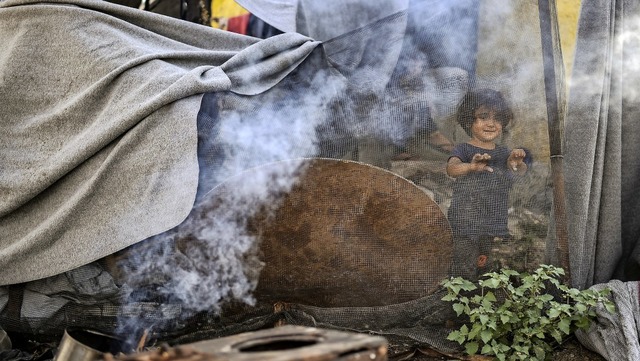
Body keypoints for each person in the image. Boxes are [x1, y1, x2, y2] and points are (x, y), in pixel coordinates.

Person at [446, 88, 532, 277]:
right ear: (470, 120)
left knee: (483, 266)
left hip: (491, 222)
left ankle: (477, 299)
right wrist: (470, 167)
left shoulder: (503, 153)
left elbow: (519, 172)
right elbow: (452, 168)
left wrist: (516, 164)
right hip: (465, 223)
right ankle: (458, 301)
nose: (491, 124)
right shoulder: (464, 149)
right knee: (463, 268)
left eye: (497, 118)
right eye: (484, 116)